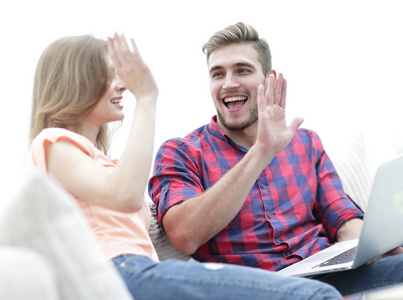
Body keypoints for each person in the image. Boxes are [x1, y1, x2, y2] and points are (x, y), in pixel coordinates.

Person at [28, 33, 342, 300]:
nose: (122, 85)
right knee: (317, 296)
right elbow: (126, 195)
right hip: (119, 271)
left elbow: (125, 193)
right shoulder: (53, 142)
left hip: (142, 270)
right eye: (109, 74)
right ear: (76, 82)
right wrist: (148, 97)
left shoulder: (98, 163)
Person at [148, 22, 403, 296]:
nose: (229, 83)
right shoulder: (181, 152)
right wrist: (261, 152)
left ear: (268, 79)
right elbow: (184, 236)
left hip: (326, 274)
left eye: (242, 70)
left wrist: (368, 249)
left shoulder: (306, 143)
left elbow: (340, 215)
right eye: (217, 74)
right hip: (259, 288)